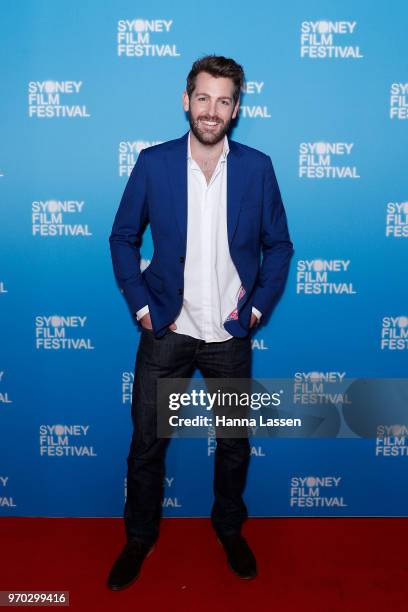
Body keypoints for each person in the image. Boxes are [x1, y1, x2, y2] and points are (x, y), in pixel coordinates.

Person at [107, 55, 294, 590]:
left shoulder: (258, 168)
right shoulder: (153, 163)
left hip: (229, 335)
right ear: (185, 100)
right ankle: (138, 538)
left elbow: (279, 246)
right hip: (167, 329)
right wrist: (142, 306)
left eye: (225, 100)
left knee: (234, 443)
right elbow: (122, 237)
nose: (213, 111)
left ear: (237, 108)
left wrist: (255, 308)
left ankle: (229, 529)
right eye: (204, 98)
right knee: (147, 443)